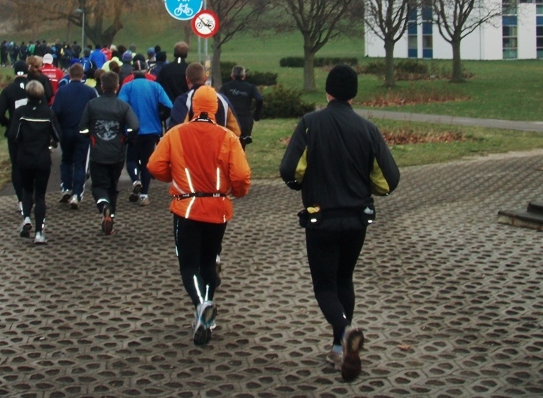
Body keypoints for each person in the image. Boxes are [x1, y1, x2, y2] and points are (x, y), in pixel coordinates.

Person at [279, 65, 400, 381]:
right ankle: (338, 348)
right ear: (353, 93)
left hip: (321, 219)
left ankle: (345, 333)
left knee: (325, 285)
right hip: (357, 219)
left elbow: (289, 169)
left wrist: (300, 185)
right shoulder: (368, 129)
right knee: (345, 278)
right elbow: (390, 179)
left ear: (327, 91)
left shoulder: (310, 124)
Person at [148, 85, 251, 346]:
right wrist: (236, 192)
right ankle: (207, 316)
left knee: (189, 265)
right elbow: (240, 176)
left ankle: (201, 304)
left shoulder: (176, 134)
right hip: (218, 208)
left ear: (192, 107)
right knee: (208, 262)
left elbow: (154, 166)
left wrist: (175, 177)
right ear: (216, 109)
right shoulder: (228, 138)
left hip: (187, 208)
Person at [78, 72, 139, 235]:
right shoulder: (123, 106)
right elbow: (135, 125)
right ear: (117, 86)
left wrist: (89, 136)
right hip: (117, 153)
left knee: (98, 185)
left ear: (102, 86)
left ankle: (103, 205)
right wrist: (127, 138)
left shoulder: (92, 105)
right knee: (113, 186)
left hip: (98, 152)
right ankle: (111, 215)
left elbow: (82, 127)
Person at [10, 81, 61, 244]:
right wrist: (50, 142)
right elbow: (57, 135)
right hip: (42, 158)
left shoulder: (20, 112)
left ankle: (26, 218)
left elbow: (14, 135)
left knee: (26, 190)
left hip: (24, 157)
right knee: (40, 195)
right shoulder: (48, 113)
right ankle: (39, 232)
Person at [118, 59, 173, 205]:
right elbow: (169, 106)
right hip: (152, 130)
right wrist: (161, 116)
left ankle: (135, 180)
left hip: (133, 130)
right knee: (147, 162)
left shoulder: (127, 87)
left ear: (132, 73)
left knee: (131, 160)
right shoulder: (155, 86)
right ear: (147, 72)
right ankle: (144, 195)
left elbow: (120, 107)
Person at [51, 63, 97, 208]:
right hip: (83, 132)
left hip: (66, 130)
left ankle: (66, 187)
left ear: (69, 75)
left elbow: (55, 112)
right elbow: (95, 111)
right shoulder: (90, 91)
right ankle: (77, 194)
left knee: (66, 160)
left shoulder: (62, 91)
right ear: (82, 75)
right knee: (80, 163)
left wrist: (57, 132)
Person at [0, 60, 30, 214]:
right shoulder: (34, 86)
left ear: (14, 72)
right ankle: (32, 193)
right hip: (33, 131)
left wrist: (9, 124)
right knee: (32, 163)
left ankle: (21, 199)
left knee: (17, 165)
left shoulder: (8, 90)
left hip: (15, 132)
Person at [220, 66, 264, 149]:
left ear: (232, 76)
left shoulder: (226, 87)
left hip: (230, 120)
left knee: (228, 144)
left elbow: (218, 99)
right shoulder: (250, 87)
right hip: (245, 120)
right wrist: (256, 114)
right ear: (244, 76)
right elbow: (260, 99)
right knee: (241, 146)